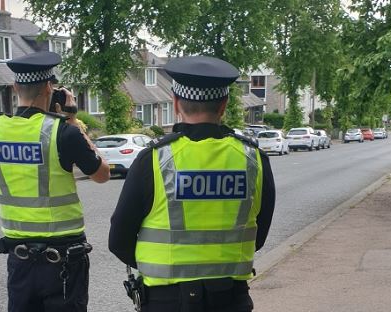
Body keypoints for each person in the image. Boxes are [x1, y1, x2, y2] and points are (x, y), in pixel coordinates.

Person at [108, 55, 275, 312]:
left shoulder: (154, 160)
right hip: (231, 299)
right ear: (224, 105)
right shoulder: (254, 160)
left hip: (167, 301)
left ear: (175, 103)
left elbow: (119, 240)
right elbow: (258, 236)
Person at [0, 51, 110, 312]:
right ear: (49, 88)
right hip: (63, 257)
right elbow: (102, 174)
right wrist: (73, 119)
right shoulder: (63, 132)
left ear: (16, 87)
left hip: (19, 258)